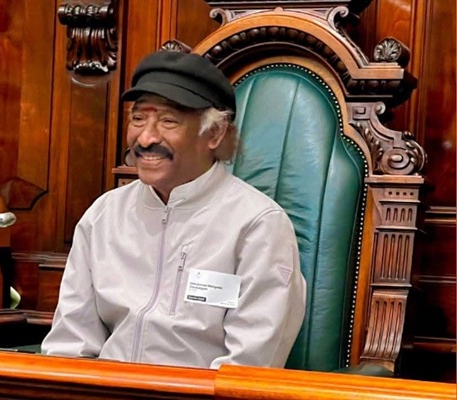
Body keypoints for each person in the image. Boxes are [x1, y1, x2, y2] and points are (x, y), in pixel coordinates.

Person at [41, 50, 306, 369]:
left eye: (168, 121)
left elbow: (249, 366)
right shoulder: (104, 215)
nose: (146, 138)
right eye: (138, 119)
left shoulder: (258, 225)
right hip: (105, 389)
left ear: (214, 133)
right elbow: (70, 344)